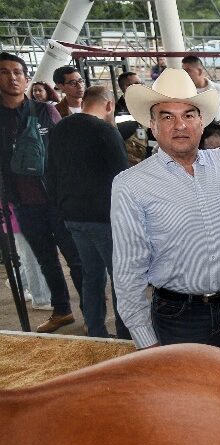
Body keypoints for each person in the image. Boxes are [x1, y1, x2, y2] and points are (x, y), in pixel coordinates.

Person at [112, 68, 220, 354]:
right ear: (152, 124)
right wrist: (147, 343)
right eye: (167, 116)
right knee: (185, 399)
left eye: (188, 115)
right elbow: (128, 272)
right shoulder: (131, 185)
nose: (180, 125)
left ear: (201, 122)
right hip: (178, 317)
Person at [0, 52, 82, 333]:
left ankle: (91, 312)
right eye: (4, 72)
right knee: (46, 260)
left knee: (76, 259)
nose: (12, 77)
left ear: (26, 77)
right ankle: (62, 311)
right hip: (22, 203)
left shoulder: (45, 110)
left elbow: (67, 153)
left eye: (17, 72)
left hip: (57, 200)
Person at [45, 85, 130, 339]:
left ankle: (96, 331)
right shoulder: (106, 131)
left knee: (91, 277)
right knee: (121, 278)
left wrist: (61, 207)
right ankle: (126, 335)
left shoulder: (60, 128)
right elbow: (122, 177)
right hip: (105, 218)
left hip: (72, 215)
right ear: (109, 105)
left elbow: (50, 172)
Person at [181, 55, 220, 122]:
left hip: (213, 130)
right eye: (183, 71)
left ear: (199, 71)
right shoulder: (181, 92)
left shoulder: (218, 90)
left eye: (188, 71)